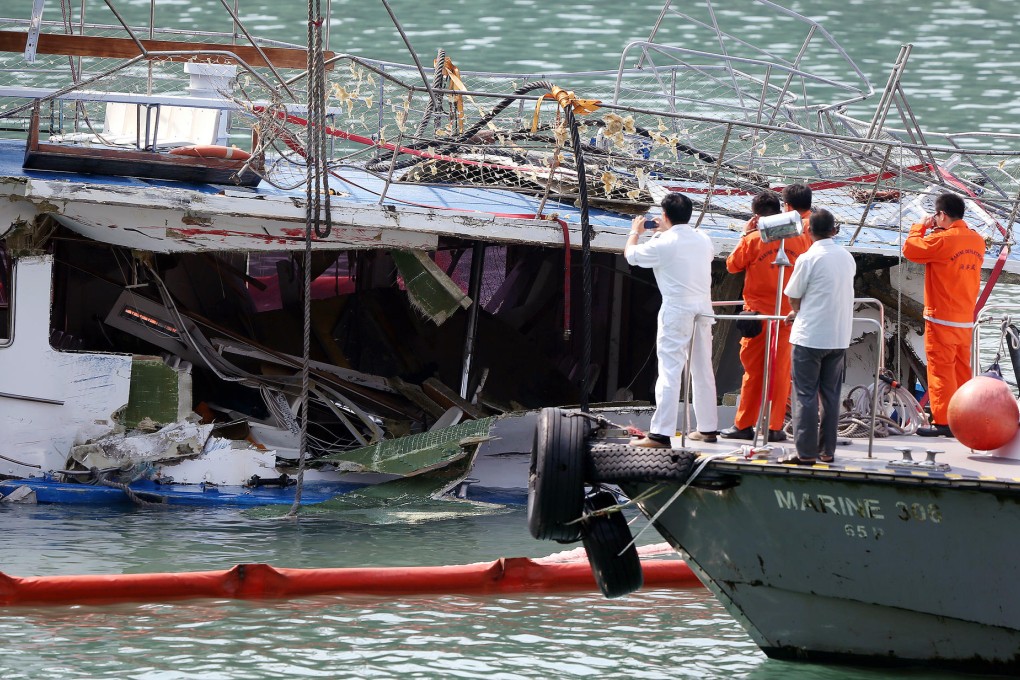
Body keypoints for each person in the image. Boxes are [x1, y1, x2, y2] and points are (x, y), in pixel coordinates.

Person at [624, 192, 719, 447]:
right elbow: (705, 255)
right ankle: (708, 428)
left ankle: (660, 433)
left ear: (665, 216)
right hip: (703, 307)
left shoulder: (663, 243)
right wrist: (663, 231)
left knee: (670, 369)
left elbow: (631, 256)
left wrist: (636, 232)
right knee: (702, 368)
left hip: (677, 308)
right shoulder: (702, 237)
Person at [722, 188, 813, 442]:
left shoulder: (753, 238)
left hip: (757, 317)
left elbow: (732, 265)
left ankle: (743, 425)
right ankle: (773, 428)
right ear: (781, 209)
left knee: (753, 373)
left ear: (757, 216)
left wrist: (745, 233)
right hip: (788, 316)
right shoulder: (802, 238)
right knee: (780, 372)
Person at [902, 192, 986, 437]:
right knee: (962, 370)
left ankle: (943, 422)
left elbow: (911, 250)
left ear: (942, 215)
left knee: (941, 370)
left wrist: (921, 226)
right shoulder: (977, 240)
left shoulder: (943, 241)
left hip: (941, 317)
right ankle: (964, 417)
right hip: (964, 317)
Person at [780, 208, 856, 464]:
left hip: (809, 336)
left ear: (808, 231)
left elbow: (793, 296)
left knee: (805, 395)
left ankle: (806, 453)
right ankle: (827, 451)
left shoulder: (807, 258)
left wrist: (797, 312)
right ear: (834, 230)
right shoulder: (847, 257)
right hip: (838, 336)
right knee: (831, 396)